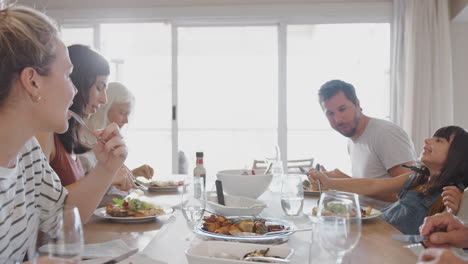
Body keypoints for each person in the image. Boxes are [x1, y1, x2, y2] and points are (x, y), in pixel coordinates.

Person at [0, 5, 127, 261]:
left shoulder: (28, 152)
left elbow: (61, 213)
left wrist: (106, 169)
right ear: (33, 81)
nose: (74, 91)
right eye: (68, 75)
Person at [309, 126, 468, 234]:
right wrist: (328, 182)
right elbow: (371, 185)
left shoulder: (452, 192)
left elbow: (445, 228)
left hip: (397, 248)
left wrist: (452, 212)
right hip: (378, 231)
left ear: (457, 156)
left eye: (439, 140)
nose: (427, 140)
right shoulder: (417, 178)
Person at [35, 45, 135, 191]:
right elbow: (44, 205)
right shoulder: (45, 134)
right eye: (99, 88)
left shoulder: (71, 136)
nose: (104, 100)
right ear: (77, 82)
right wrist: (105, 176)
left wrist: (107, 170)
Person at [317, 79, 418, 208]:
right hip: (366, 220)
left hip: (391, 225)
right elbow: (364, 195)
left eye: (342, 109)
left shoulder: (386, 134)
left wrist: (342, 180)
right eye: (330, 113)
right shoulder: (352, 139)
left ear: (357, 104)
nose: (338, 120)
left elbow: (410, 195)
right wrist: (330, 182)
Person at [79, 82, 154, 206]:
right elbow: (82, 191)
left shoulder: (108, 140)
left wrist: (133, 173)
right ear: (104, 109)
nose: (126, 120)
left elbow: (111, 180)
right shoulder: (82, 142)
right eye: (122, 113)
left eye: (128, 114)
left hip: (118, 208)